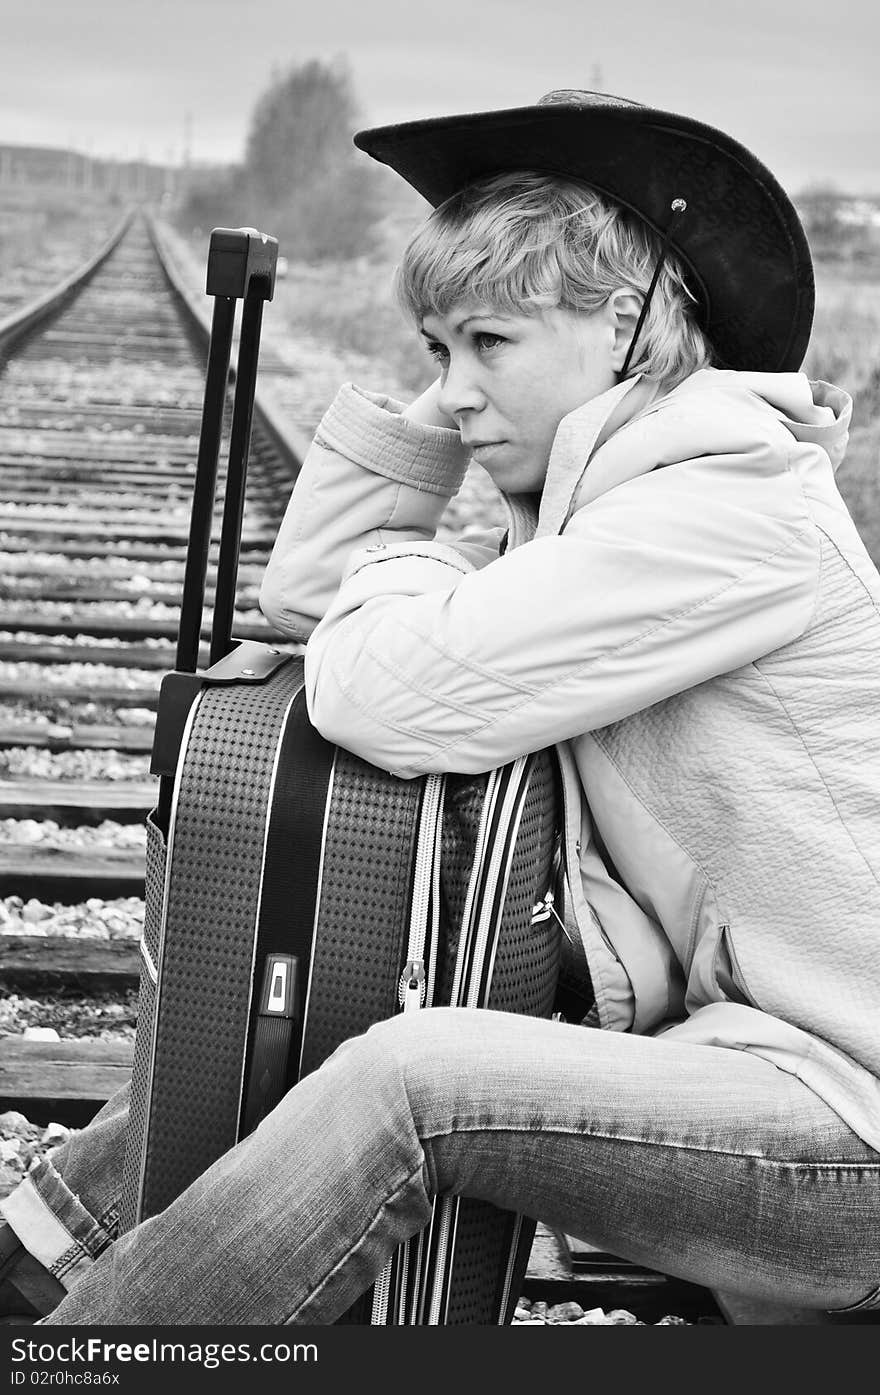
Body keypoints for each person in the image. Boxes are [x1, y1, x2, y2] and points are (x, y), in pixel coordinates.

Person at [2, 89, 879, 1326]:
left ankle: (92, 1355)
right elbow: (310, 603)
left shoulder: (727, 514)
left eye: (491, 344)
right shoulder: (621, 504)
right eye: (436, 350)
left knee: (410, 1081)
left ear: (626, 327)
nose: (455, 391)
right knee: (329, 976)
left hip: (848, 1129)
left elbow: (383, 692)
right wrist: (476, 405)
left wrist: (419, 569)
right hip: (756, 1077)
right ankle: (38, 1258)